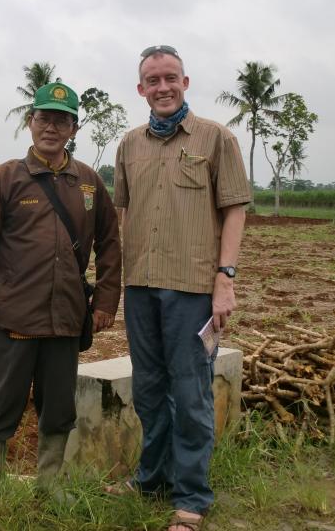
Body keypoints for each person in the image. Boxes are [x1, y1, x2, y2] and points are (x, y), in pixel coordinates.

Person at [111, 45, 251, 531]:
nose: (163, 86)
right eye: (153, 80)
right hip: (142, 288)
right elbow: (123, 211)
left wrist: (225, 279)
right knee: (149, 391)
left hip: (193, 290)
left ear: (185, 82)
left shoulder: (216, 139)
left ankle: (191, 497)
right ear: (141, 89)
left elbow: (235, 207)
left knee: (190, 393)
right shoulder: (129, 144)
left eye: (171, 77)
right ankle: (152, 478)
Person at [0, 82, 122, 513]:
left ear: (74, 127)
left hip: (66, 318)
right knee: (0, 402)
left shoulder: (89, 182)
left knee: (58, 405)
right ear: (30, 121)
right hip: (13, 315)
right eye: (44, 118)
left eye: (61, 119)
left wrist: (107, 301)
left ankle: (49, 483)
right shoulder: (6, 177)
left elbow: (110, 242)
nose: (51, 127)